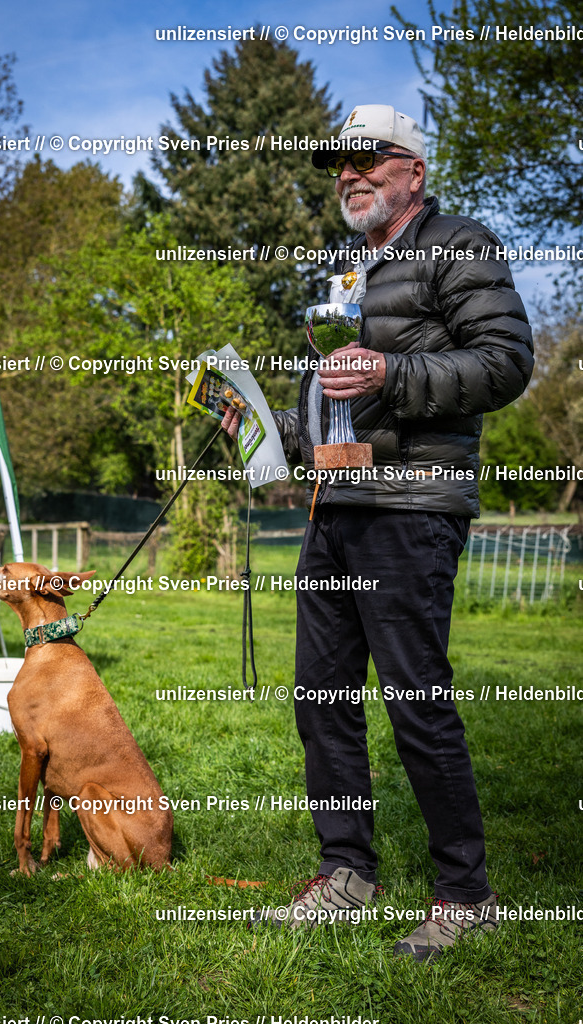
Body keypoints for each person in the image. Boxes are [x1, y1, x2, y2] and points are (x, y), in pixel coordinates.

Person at [222, 104, 534, 960]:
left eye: (367, 159)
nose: (349, 175)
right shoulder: (346, 272)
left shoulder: (458, 244)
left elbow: (505, 362)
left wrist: (392, 371)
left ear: (413, 170)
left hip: (410, 509)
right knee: (320, 699)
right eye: (339, 164)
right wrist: (264, 431)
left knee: (414, 704)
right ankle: (346, 874)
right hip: (335, 506)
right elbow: (337, 404)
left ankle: (465, 894)